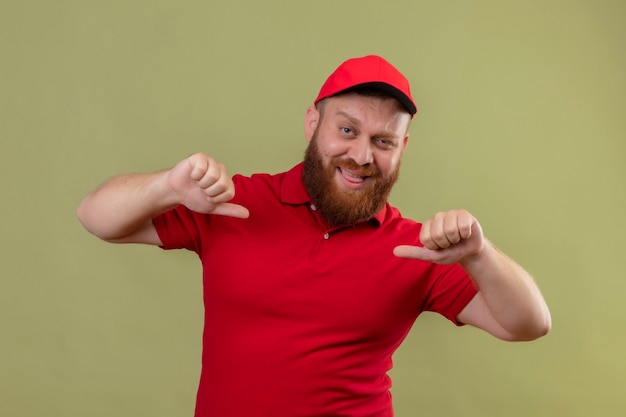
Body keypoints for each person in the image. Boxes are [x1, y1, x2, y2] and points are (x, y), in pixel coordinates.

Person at [77, 55, 551, 417]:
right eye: (347, 129)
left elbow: (528, 324)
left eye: (383, 141)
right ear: (313, 124)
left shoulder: (417, 247)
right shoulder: (234, 203)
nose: (362, 155)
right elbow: (96, 216)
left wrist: (480, 255)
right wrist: (166, 186)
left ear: (402, 148)